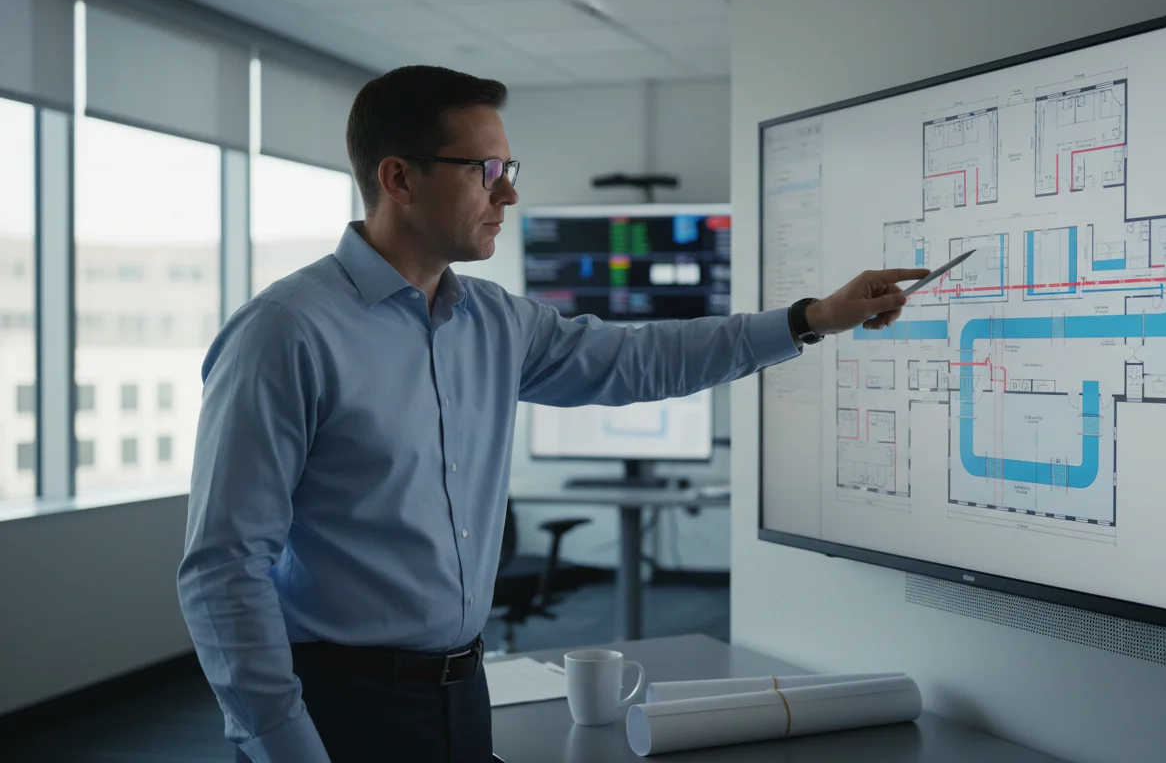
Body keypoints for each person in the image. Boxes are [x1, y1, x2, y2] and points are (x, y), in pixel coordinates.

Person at [177, 65, 928, 763]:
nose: (507, 195)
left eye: (510, 171)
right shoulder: (285, 333)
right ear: (399, 178)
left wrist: (811, 318)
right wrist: (283, 745)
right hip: (339, 710)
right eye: (486, 171)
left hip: (463, 697)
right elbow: (222, 568)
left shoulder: (495, 322)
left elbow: (644, 360)